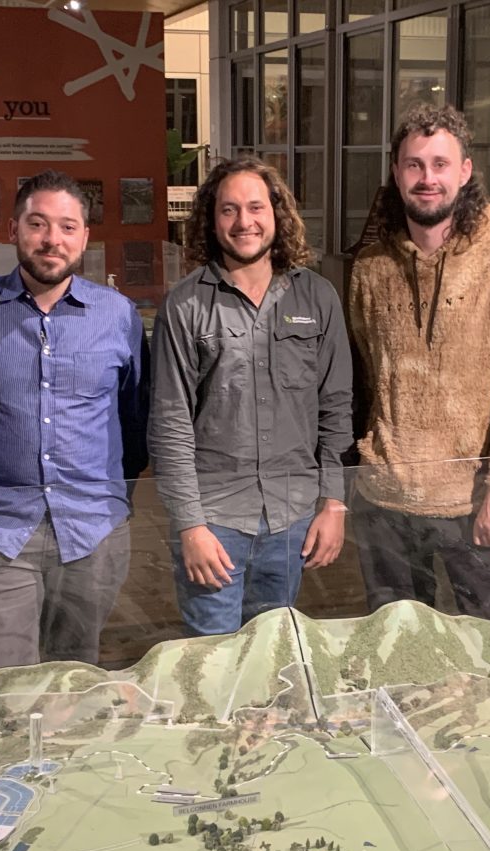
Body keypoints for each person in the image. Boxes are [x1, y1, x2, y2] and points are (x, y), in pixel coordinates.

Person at [0, 170, 148, 674]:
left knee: (76, 675)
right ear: (13, 229)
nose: (52, 240)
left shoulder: (118, 315)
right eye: (38, 224)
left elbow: (135, 416)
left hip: (94, 530)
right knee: (3, 681)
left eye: (68, 227)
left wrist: (118, 499)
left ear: (85, 237)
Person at [347, 104, 490, 626]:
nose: (427, 178)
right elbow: (367, 378)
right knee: (400, 657)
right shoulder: (370, 268)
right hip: (385, 504)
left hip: (475, 508)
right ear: (396, 174)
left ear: (465, 171)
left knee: (489, 662)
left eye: (440, 164)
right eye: (414, 165)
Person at [149, 157, 353, 636]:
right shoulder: (185, 305)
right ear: (210, 218)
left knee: (272, 656)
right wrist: (190, 527)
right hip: (215, 522)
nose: (244, 222)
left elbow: (336, 407)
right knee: (212, 662)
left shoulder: (318, 297)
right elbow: (170, 423)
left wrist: (334, 503)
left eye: (256, 207)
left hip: (293, 517)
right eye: (229, 210)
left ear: (277, 213)